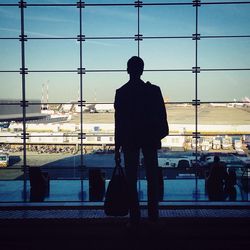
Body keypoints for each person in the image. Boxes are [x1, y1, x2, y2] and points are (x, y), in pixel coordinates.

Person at [114, 56, 169, 226]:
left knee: (130, 178)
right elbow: (161, 116)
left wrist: (117, 148)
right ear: (142, 70)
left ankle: (134, 215)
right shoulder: (153, 91)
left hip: (130, 140)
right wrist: (158, 135)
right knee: (152, 177)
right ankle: (153, 214)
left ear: (128, 70)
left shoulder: (121, 92)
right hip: (149, 139)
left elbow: (119, 123)